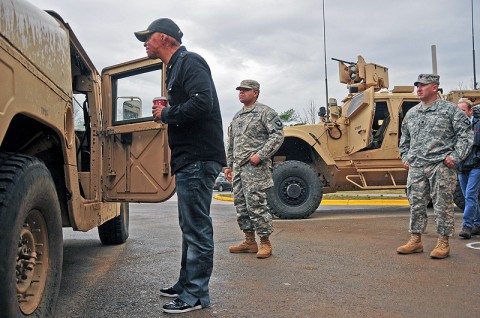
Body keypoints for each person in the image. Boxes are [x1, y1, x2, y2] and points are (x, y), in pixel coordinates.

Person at [134, 18, 226, 314]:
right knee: (189, 226)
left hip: (198, 158)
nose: (145, 43)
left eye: (148, 38)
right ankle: (187, 284)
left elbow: (203, 103)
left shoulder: (190, 62)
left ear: (164, 37)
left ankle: (197, 295)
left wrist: (167, 113)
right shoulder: (174, 68)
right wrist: (169, 113)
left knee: (197, 228)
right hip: (191, 159)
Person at [397, 74, 472, 259]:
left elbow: (466, 136)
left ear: (434, 87)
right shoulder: (412, 113)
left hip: (441, 165)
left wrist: (455, 157)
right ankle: (415, 240)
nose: (419, 88)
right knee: (416, 204)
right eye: (417, 85)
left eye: (423, 85)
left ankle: (443, 242)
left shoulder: (450, 110)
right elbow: (404, 140)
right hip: (417, 167)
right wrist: (405, 157)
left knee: (442, 205)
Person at [224, 79, 284, 259]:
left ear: (255, 93)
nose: (241, 92)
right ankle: (249, 241)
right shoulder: (237, 116)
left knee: (256, 204)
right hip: (239, 168)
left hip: (255, 167)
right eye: (240, 90)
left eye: (245, 90)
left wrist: (261, 155)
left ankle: (265, 242)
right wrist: (229, 165)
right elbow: (232, 142)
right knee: (241, 205)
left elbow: (278, 136)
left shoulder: (266, 112)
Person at [456, 99, 480, 239]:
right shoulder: (455, 126)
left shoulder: (478, 125)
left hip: (476, 166)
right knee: (468, 197)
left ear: (470, 111)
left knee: (470, 195)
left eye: (463, 111)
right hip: (461, 167)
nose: (460, 114)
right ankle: (478, 223)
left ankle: (467, 226)